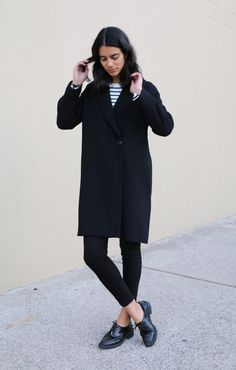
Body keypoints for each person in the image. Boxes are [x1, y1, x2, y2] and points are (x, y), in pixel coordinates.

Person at [56, 26, 174, 349]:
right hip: (98, 183)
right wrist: (75, 83)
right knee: (93, 253)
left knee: (129, 249)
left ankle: (123, 321)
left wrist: (139, 95)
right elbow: (64, 120)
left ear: (126, 54)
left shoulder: (143, 87)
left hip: (132, 180)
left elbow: (165, 126)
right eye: (103, 58)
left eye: (115, 57)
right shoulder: (91, 91)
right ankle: (138, 312)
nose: (109, 64)